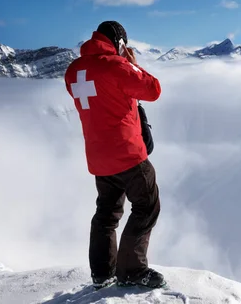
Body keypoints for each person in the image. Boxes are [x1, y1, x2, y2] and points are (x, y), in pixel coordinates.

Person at [64, 20, 165, 289]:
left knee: (106, 213)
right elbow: (153, 90)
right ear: (120, 43)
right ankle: (132, 271)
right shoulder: (117, 66)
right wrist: (132, 63)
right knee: (147, 206)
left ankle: (102, 272)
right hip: (128, 154)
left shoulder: (73, 71)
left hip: (99, 158)